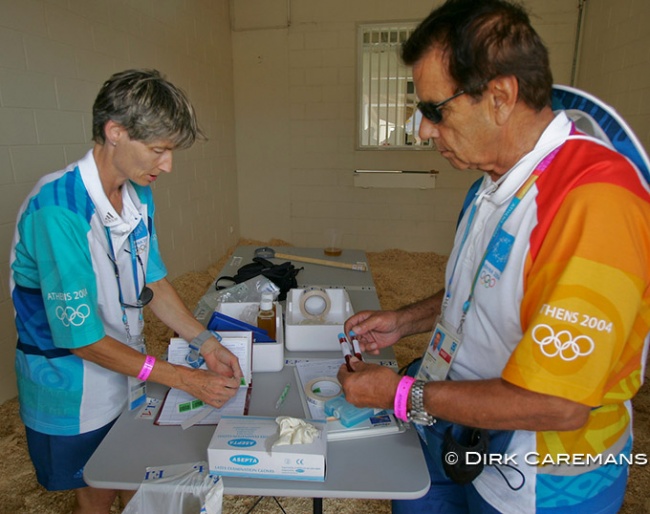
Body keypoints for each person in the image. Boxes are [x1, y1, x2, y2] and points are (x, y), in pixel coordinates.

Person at [337, 1, 650, 513]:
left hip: (537, 481)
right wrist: (404, 321)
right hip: (460, 431)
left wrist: (401, 395)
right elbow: (487, 286)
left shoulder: (595, 203)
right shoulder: (496, 179)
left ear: (501, 97)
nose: (422, 130)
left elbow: (559, 403)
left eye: (436, 110)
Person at [10, 69, 243, 514]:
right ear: (114, 132)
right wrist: (184, 378)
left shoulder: (137, 194)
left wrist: (206, 342)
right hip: (72, 387)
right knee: (96, 492)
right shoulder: (57, 210)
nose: (168, 165)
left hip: (128, 368)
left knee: (135, 477)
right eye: (159, 150)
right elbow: (80, 338)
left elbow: (151, 282)